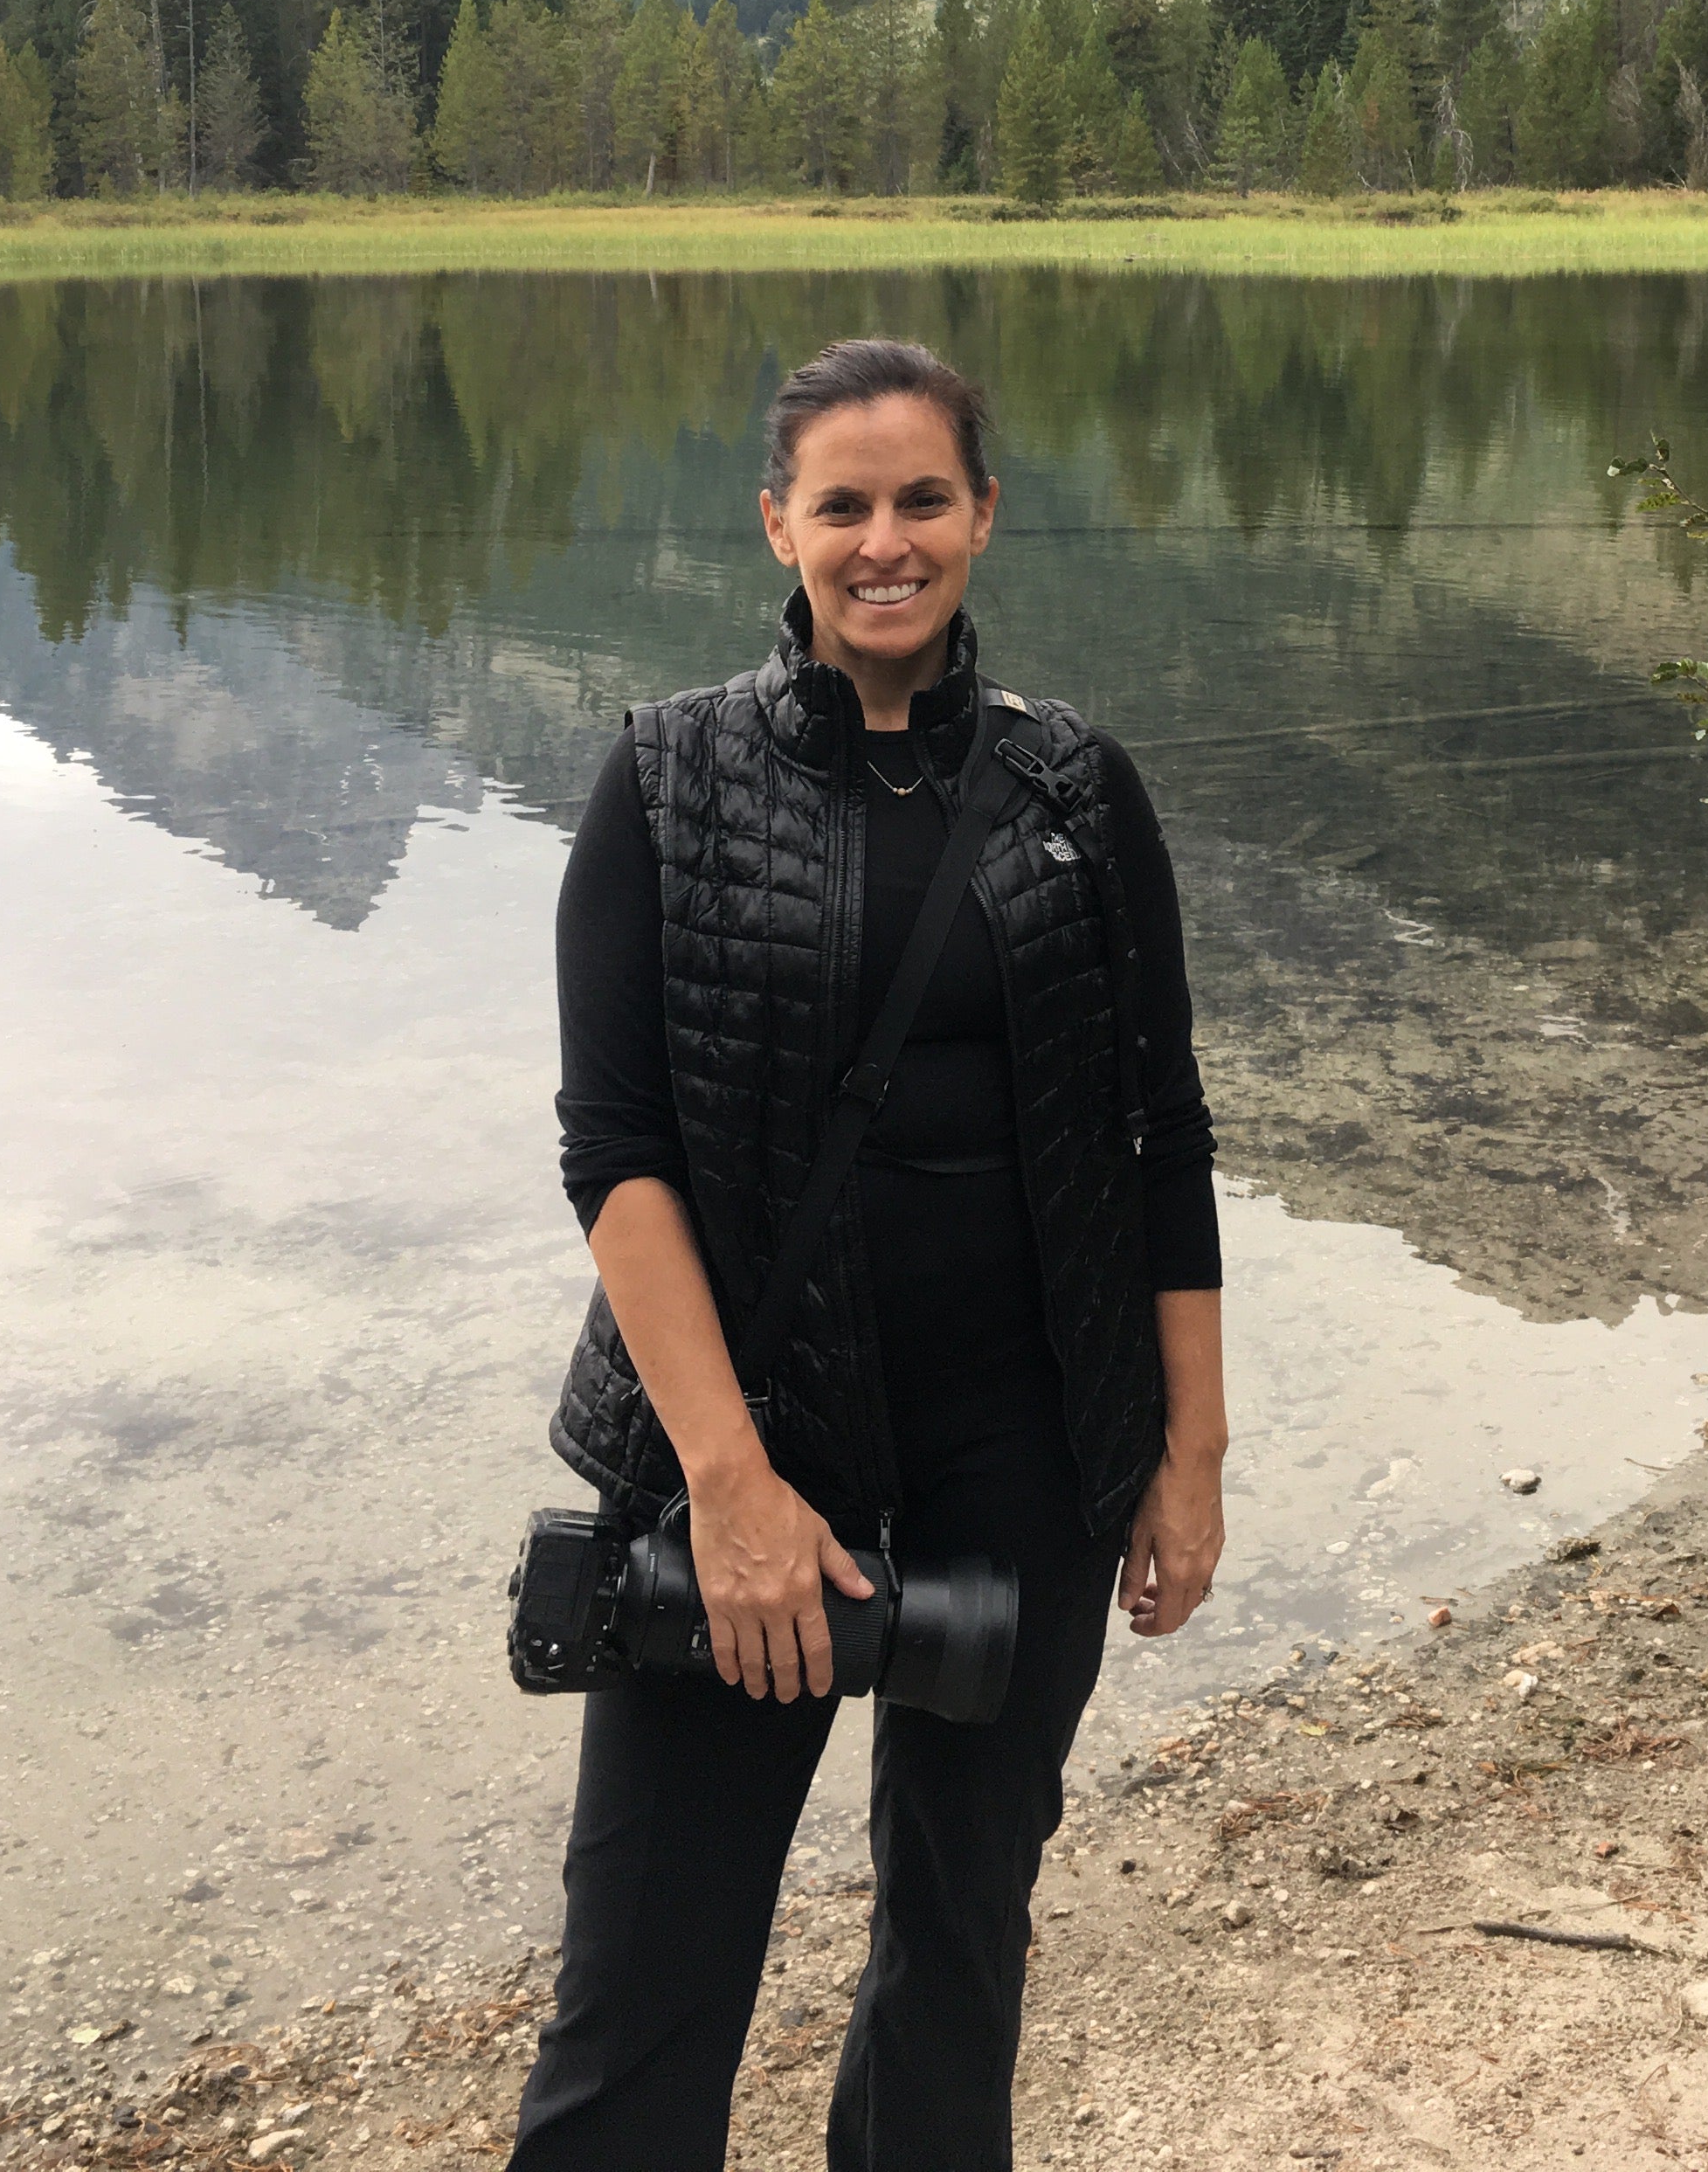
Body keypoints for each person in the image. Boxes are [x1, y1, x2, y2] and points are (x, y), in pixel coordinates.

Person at [507, 335, 1227, 2171]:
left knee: (957, 1962)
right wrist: (728, 1485)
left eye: (923, 500)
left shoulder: (1079, 787)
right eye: (844, 505)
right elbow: (615, 1155)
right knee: (641, 1996)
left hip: (1027, 1454)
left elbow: (1163, 1134)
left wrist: (1189, 1453)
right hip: (750, 1456)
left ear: (983, 514)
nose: (884, 542)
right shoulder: (665, 780)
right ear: (781, 525)